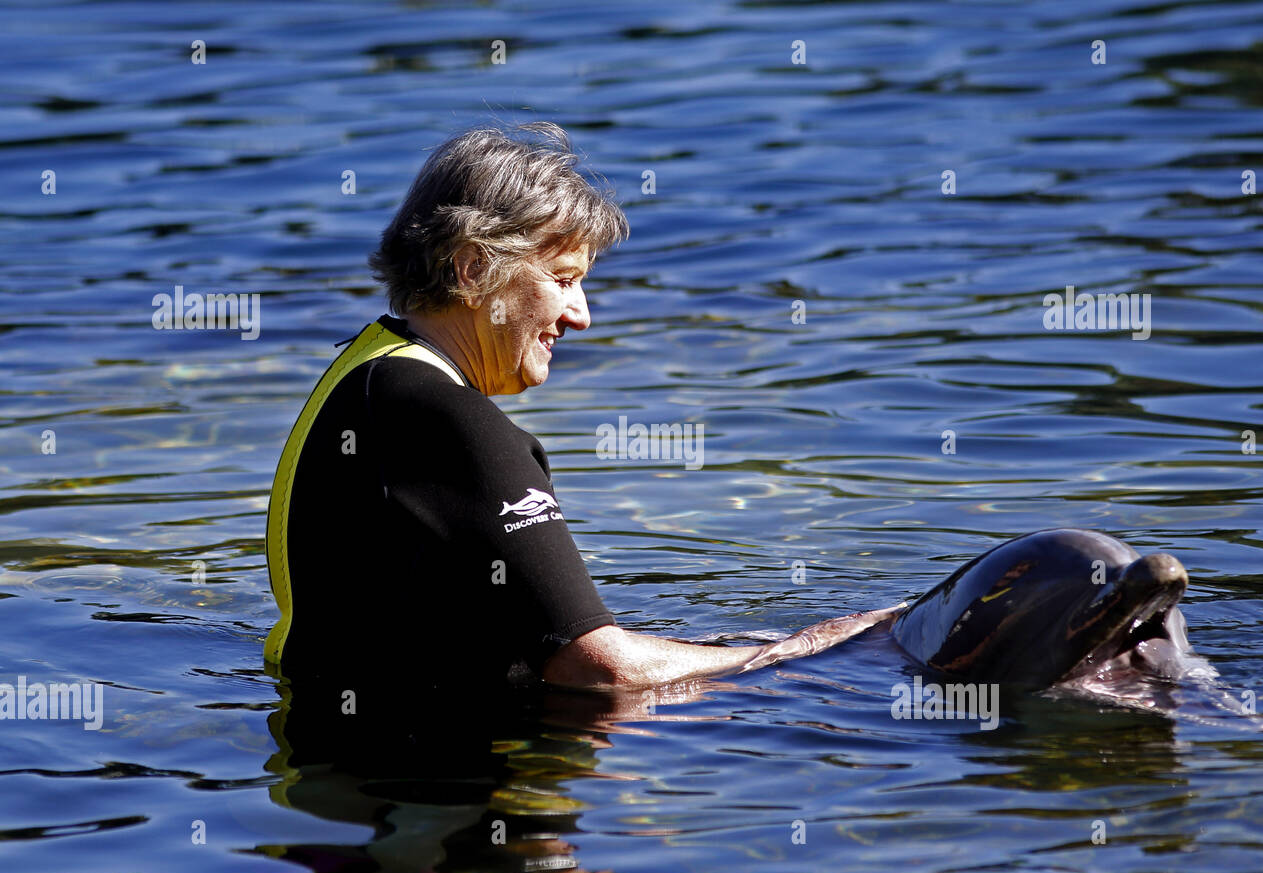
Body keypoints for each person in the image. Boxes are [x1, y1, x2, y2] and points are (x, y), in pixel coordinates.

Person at [264, 122, 900, 704]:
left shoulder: (368, 369)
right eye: (564, 279)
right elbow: (598, 669)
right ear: (472, 267)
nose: (583, 314)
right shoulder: (448, 419)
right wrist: (803, 650)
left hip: (330, 759)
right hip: (422, 780)